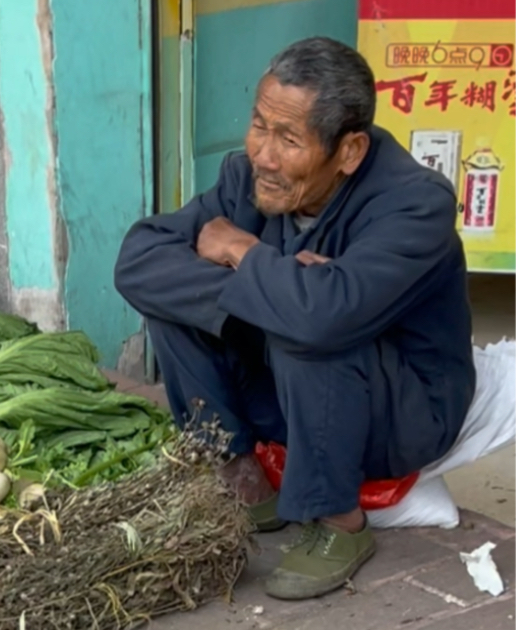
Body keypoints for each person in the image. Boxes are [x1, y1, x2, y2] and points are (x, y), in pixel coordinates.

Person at [113, 36, 476, 601]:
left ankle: (339, 522)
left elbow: (322, 318)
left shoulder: (415, 204)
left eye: (288, 139)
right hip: (292, 398)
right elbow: (138, 260)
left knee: (308, 326)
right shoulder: (249, 179)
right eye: (259, 125)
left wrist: (244, 253)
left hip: (399, 414)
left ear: (349, 151)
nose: (263, 154)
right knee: (193, 304)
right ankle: (243, 478)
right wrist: (282, 280)